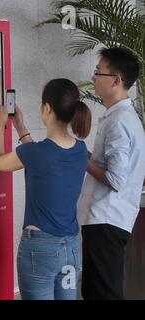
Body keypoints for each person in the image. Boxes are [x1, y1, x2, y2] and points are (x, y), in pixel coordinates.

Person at [0, 79, 92, 300]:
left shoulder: (37, 153)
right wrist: (20, 126)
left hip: (40, 250)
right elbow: (43, 159)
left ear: (47, 108)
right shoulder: (81, 151)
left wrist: (0, 124)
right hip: (72, 249)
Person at [77, 47, 145, 300]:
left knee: (103, 292)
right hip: (106, 218)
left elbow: (116, 179)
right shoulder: (120, 117)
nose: (93, 78)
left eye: (98, 72)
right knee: (97, 290)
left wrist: (82, 159)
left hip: (106, 219)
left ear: (116, 80)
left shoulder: (119, 121)